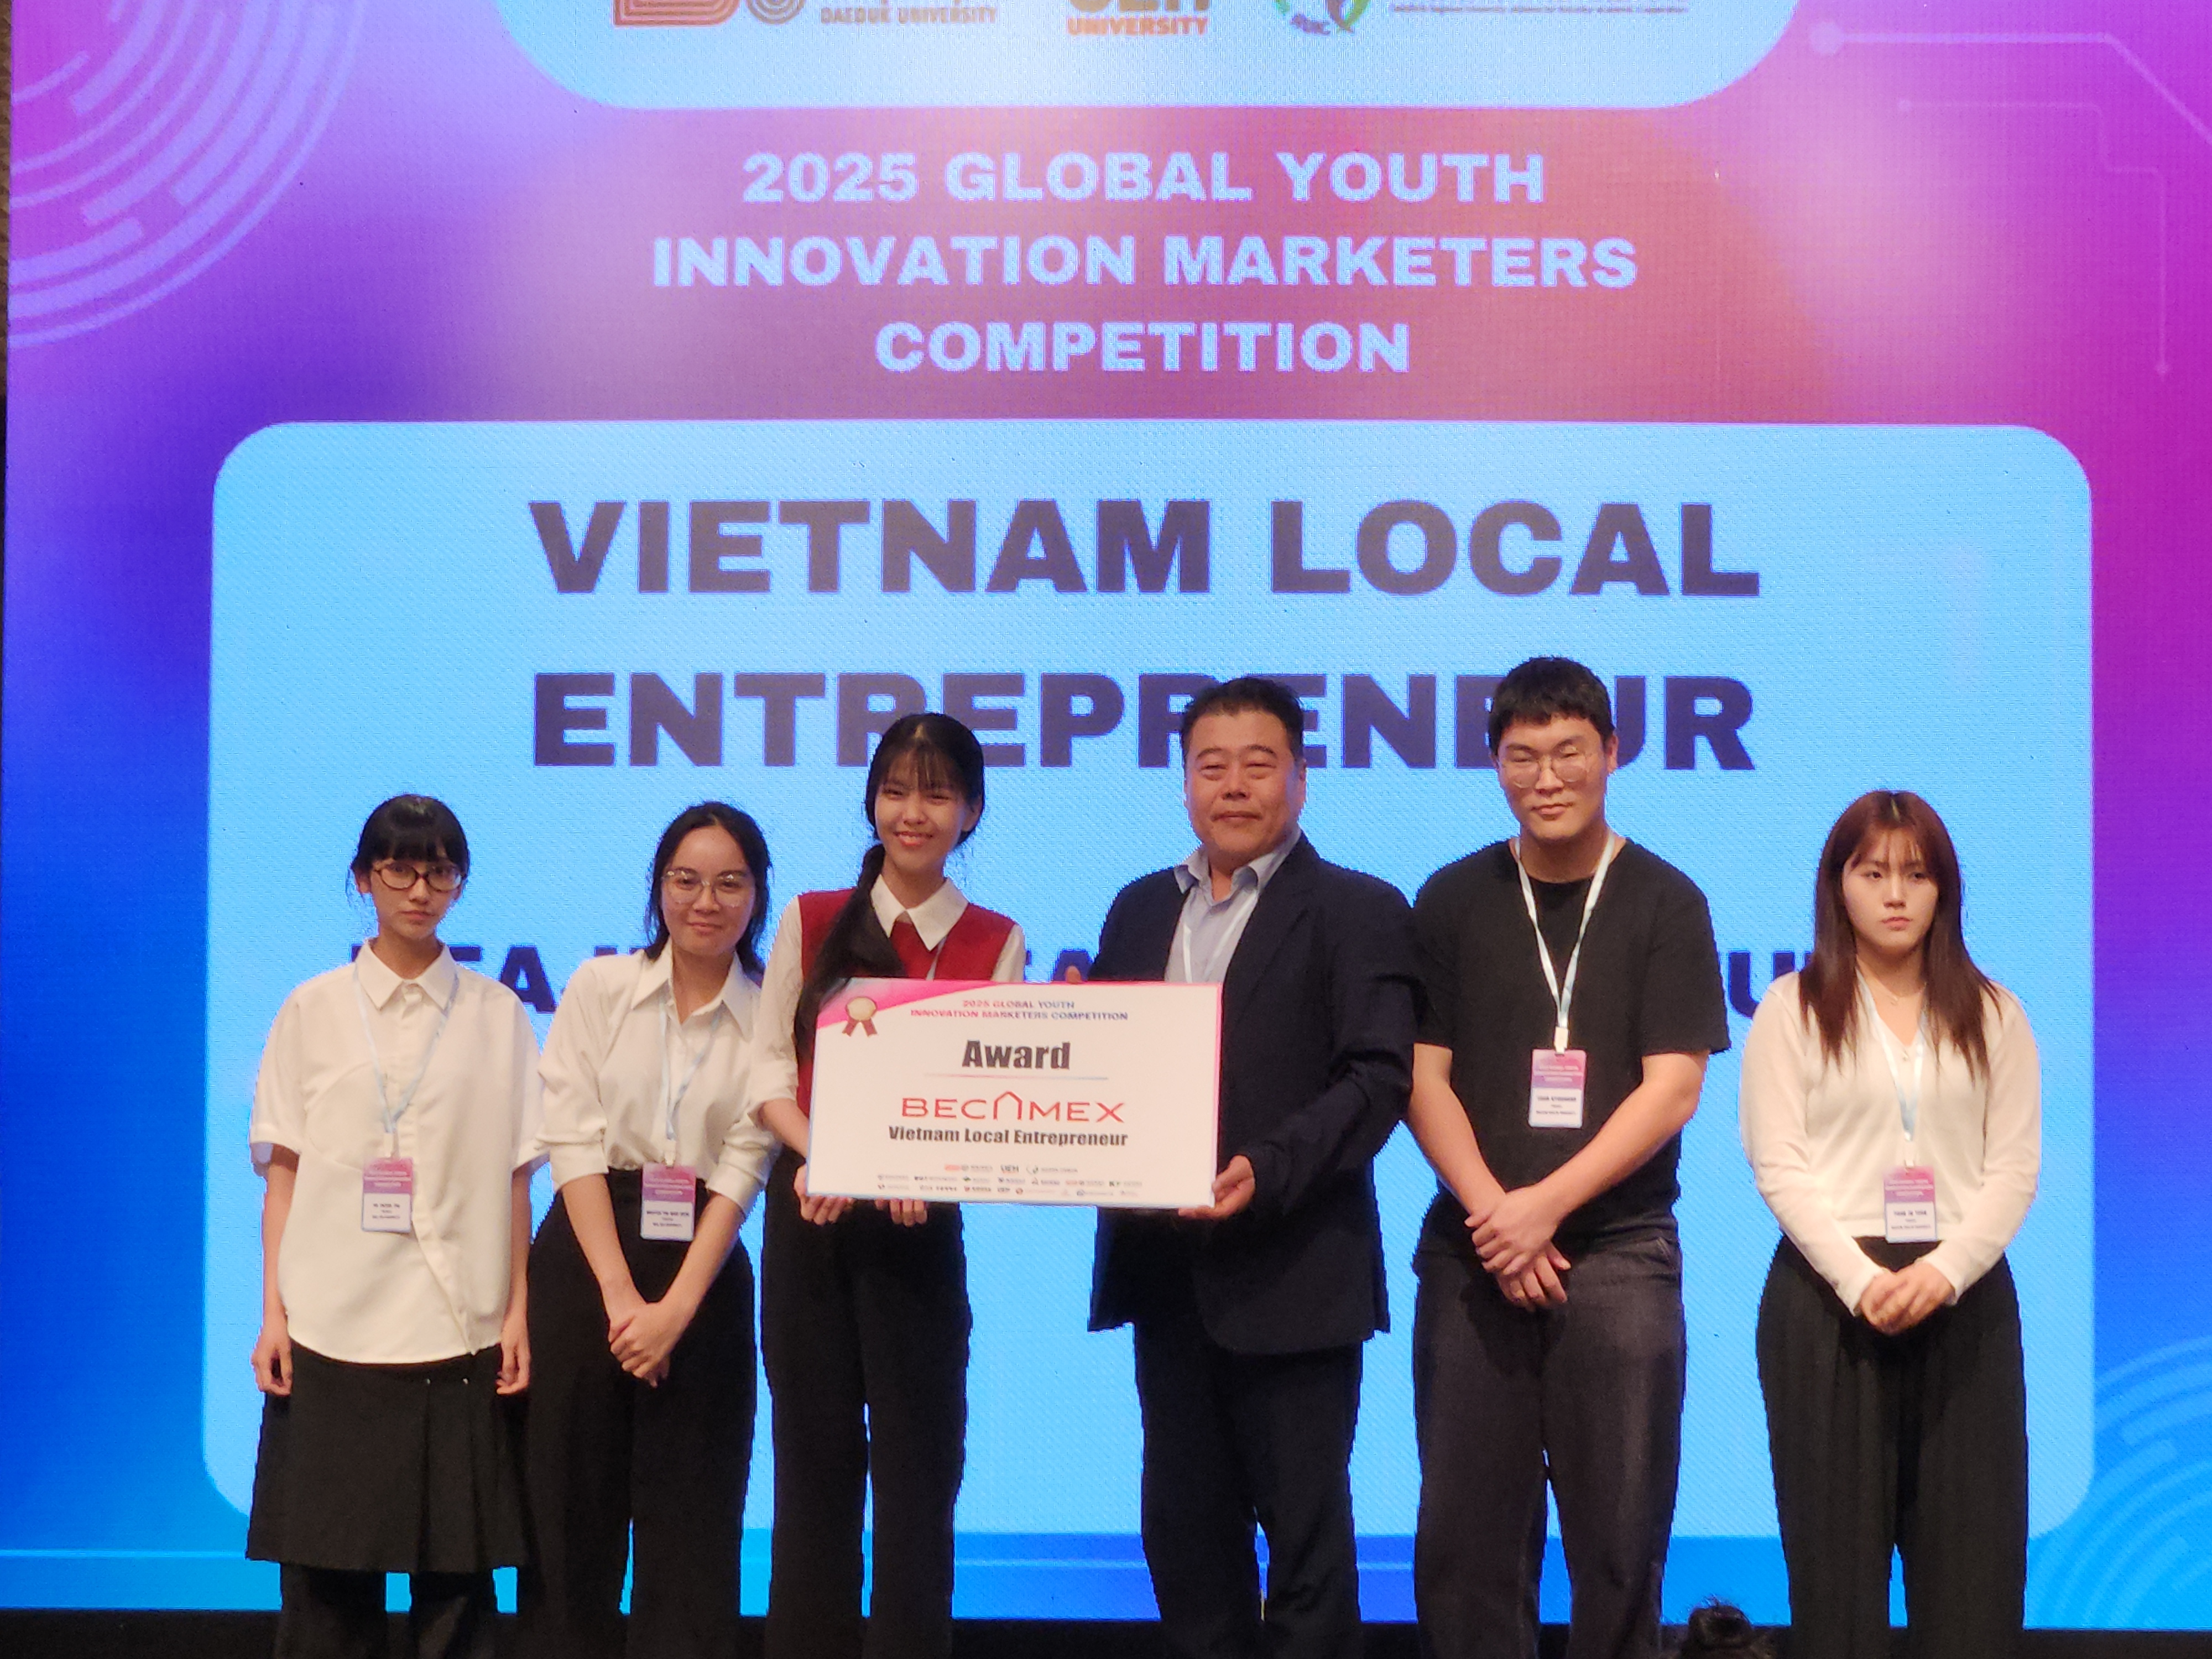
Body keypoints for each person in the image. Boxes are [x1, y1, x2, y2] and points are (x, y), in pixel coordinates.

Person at [1087, 675, 1418, 1659]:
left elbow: (1377, 1078)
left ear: (1300, 780)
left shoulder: (1358, 909)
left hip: (1295, 1274)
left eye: (1258, 765)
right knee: (1187, 1548)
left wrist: (1265, 1171)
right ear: (1185, 782)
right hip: (1166, 1278)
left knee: (1307, 1556)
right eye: (1211, 766)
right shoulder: (1138, 909)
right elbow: (1104, 1067)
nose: (1233, 786)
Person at [1406, 656, 1729, 1659]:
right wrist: (1497, 1216)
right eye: (1523, 757)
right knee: (1466, 1550)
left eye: (1569, 752)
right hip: (1474, 1252)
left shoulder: (1666, 901)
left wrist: (1541, 1207)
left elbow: (1673, 1087)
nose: (1546, 778)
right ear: (1495, 763)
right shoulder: (1452, 898)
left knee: (1620, 1547)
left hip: (1620, 1253)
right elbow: (1421, 1079)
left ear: (1612, 754)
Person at [748, 713, 1025, 1659]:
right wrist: (829, 1154)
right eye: (897, 791)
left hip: (919, 1231)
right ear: (871, 803)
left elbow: (993, 1096)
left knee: (919, 1481)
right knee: (813, 1475)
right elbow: (766, 1074)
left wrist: (924, 1168)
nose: (915, 812)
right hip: (813, 1219)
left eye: (938, 794)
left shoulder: (996, 940)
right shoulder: (812, 918)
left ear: (971, 811)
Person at [1739, 790, 2038, 1659]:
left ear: (1946, 889)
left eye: (1917, 875)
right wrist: (1863, 1280)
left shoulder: (1995, 1012)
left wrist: (1944, 1272)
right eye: (1873, 874)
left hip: (1964, 1299)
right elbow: (1779, 1165)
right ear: (1838, 886)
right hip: (1828, 1303)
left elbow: (2014, 1168)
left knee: (1973, 1576)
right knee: (1836, 1585)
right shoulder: (1792, 1009)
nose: (1896, 895)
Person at [246, 795, 539, 1659]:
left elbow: (517, 1178)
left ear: (459, 884)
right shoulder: (312, 1008)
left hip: (458, 1333)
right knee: (325, 1598)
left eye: (440, 871)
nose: (420, 890)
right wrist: (273, 1315)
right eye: (399, 869)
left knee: (458, 1596)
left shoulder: (498, 1013)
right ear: (363, 879)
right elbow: (284, 1175)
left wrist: (517, 1312)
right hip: (331, 1331)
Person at [520, 802, 780, 1658]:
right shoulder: (601, 988)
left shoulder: (772, 1013)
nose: (706, 902)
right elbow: (571, 1140)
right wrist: (622, 1297)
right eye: (686, 880)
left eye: (730, 883)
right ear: (659, 887)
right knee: (569, 1517)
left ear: (757, 894)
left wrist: (673, 1312)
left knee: (694, 1526)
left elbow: (746, 1165)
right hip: (587, 1261)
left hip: (703, 1266)